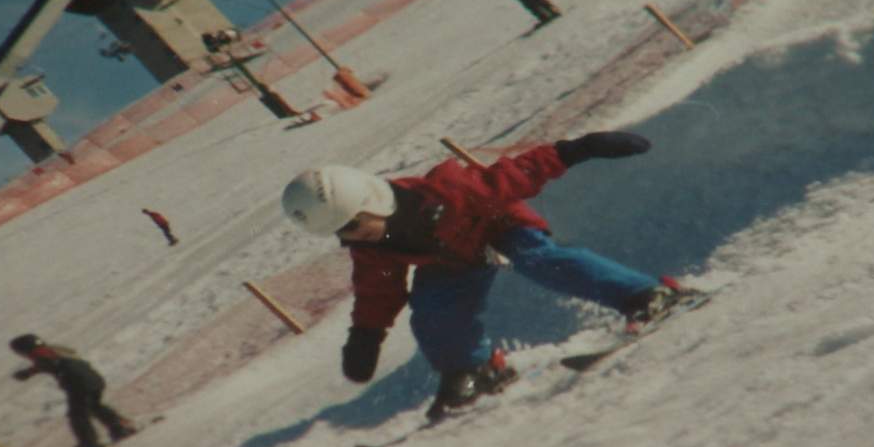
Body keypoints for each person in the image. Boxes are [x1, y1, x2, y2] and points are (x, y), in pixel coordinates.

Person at [280, 132, 694, 419]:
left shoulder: (450, 192)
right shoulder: (372, 248)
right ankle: (473, 370)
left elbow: (516, 174)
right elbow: (377, 292)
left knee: (541, 259)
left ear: (369, 203)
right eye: (338, 232)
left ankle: (647, 296)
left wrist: (579, 149)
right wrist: (366, 337)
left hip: (497, 226)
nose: (348, 238)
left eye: (350, 226)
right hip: (453, 261)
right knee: (430, 310)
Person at [9, 334, 137, 447]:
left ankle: (89, 444)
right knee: (94, 406)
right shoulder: (53, 349)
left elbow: (48, 362)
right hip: (92, 379)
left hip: (78, 382)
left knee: (77, 415)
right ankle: (119, 427)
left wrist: (28, 372)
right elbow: (49, 362)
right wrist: (29, 372)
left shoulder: (40, 353)